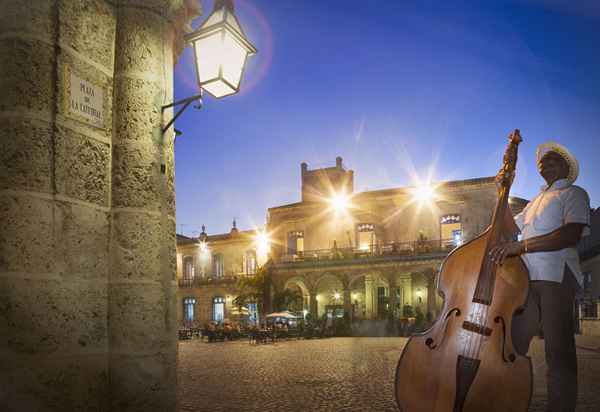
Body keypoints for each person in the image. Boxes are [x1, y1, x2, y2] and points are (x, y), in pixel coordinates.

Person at [489, 141, 590, 412]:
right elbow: (509, 228)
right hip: (527, 280)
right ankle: (511, 402)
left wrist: (521, 246)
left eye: (554, 158)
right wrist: (502, 192)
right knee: (513, 344)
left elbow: (570, 235)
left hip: (556, 276)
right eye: (542, 160)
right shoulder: (535, 201)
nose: (546, 161)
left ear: (567, 167)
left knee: (558, 351)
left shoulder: (574, 193)